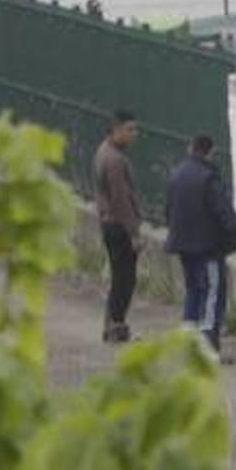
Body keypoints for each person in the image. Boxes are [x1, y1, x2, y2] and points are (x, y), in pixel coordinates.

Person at [165, 135, 236, 353]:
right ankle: (208, 344)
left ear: (190, 148)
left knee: (193, 290)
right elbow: (226, 215)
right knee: (212, 293)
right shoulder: (209, 179)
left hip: (183, 245)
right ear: (210, 151)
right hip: (208, 248)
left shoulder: (176, 174)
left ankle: (187, 340)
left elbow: (168, 210)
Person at [94, 109, 143, 343]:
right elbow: (121, 200)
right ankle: (116, 324)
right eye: (130, 129)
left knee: (119, 276)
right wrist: (133, 232)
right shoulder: (114, 160)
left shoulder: (104, 152)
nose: (135, 134)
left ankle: (112, 324)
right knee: (125, 278)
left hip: (110, 222)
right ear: (116, 129)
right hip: (118, 225)